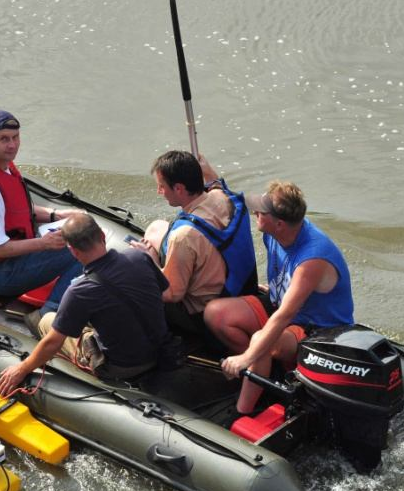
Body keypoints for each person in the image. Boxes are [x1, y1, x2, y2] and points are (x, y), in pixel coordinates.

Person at [209, 180, 355, 413]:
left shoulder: (312, 258)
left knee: (259, 342)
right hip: (285, 310)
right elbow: (235, 203)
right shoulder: (273, 233)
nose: (255, 212)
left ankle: (244, 409)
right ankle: (264, 372)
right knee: (216, 314)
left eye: (261, 211)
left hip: (317, 331)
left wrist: (246, 357)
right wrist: (211, 178)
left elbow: (286, 315)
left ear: (279, 224)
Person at [0, 213, 170, 396]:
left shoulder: (79, 292)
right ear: (102, 236)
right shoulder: (139, 258)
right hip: (161, 348)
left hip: (121, 367)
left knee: (46, 320)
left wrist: (22, 369)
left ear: (73, 250)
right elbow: (164, 292)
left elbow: (52, 343)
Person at [0, 109, 82, 312]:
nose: (12, 145)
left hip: (12, 259)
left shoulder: (2, 165)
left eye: (15, 137)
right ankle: (49, 314)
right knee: (80, 249)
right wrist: (44, 244)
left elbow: (16, 209)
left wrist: (56, 215)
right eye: (4, 139)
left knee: (79, 236)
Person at [128, 150, 257, 336]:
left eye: (162, 186)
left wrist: (151, 261)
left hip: (200, 314)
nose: (159, 192)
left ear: (179, 188)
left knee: (136, 277)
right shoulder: (223, 198)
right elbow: (215, 185)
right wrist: (206, 170)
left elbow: (172, 294)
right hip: (236, 286)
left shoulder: (183, 236)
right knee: (157, 227)